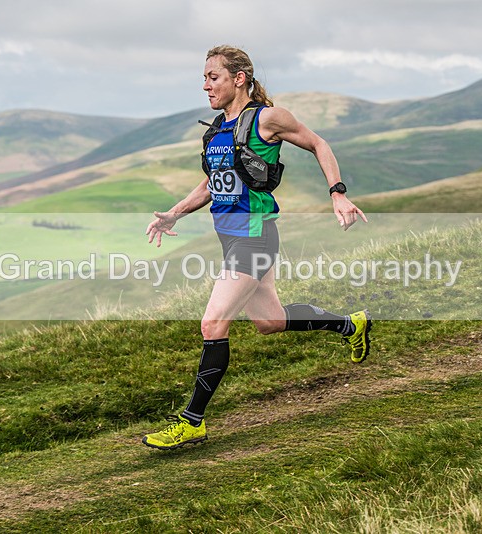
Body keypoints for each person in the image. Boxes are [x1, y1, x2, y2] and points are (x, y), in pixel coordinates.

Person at [142, 45, 371, 450]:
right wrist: (175, 213)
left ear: (239, 78)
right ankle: (350, 325)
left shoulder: (268, 119)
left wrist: (337, 193)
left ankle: (192, 421)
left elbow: (319, 143)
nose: (206, 85)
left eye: (213, 77)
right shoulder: (216, 130)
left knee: (213, 323)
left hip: (255, 236)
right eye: (205, 77)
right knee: (269, 321)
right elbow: (213, 183)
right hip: (231, 236)